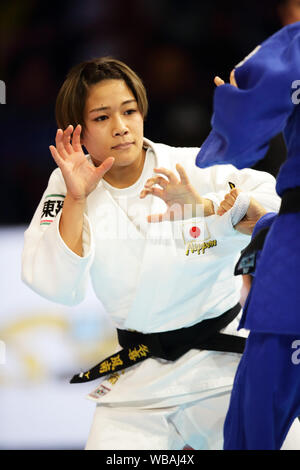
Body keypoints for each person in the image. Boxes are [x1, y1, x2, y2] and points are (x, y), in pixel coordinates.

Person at [22, 57, 282, 450]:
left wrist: (206, 208)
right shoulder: (70, 185)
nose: (121, 127)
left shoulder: (193, 165)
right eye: (101, 117)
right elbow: (55, 285)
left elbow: (277, 212)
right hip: (140, 383)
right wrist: (76, 199)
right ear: (78, 131)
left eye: (129, 111)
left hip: (225, 370)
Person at [194, 22, 300, 449]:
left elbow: (238, 139)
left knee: (255, 429)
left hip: (294, 266)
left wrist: (235, 105)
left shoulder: (294, 45)